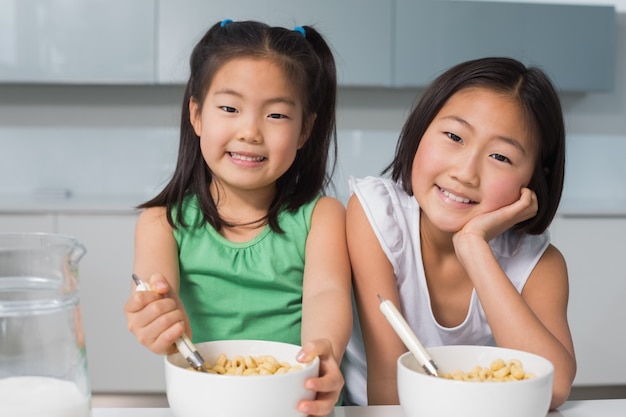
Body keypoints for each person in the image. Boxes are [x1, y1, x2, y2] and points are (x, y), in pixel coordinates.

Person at [124, 20, 352, 417]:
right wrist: (156, 321)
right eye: (229, 108)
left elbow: (325, 294)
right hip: (207, 403)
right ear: (196, 115)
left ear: (305, 131)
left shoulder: (323, 216)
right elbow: (159, 305)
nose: (250, 132)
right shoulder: (160, 224)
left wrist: (322, 352)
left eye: (277, 115)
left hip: (298, 402)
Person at [341, 57, 576, 409]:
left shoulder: (539, 264)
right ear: (421, 128)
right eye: (454, 136)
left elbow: (554, 387)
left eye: (501, 157)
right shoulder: (378, 215)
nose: (466, 173)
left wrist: (473, 245)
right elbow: (388, 378)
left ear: (533, 177)